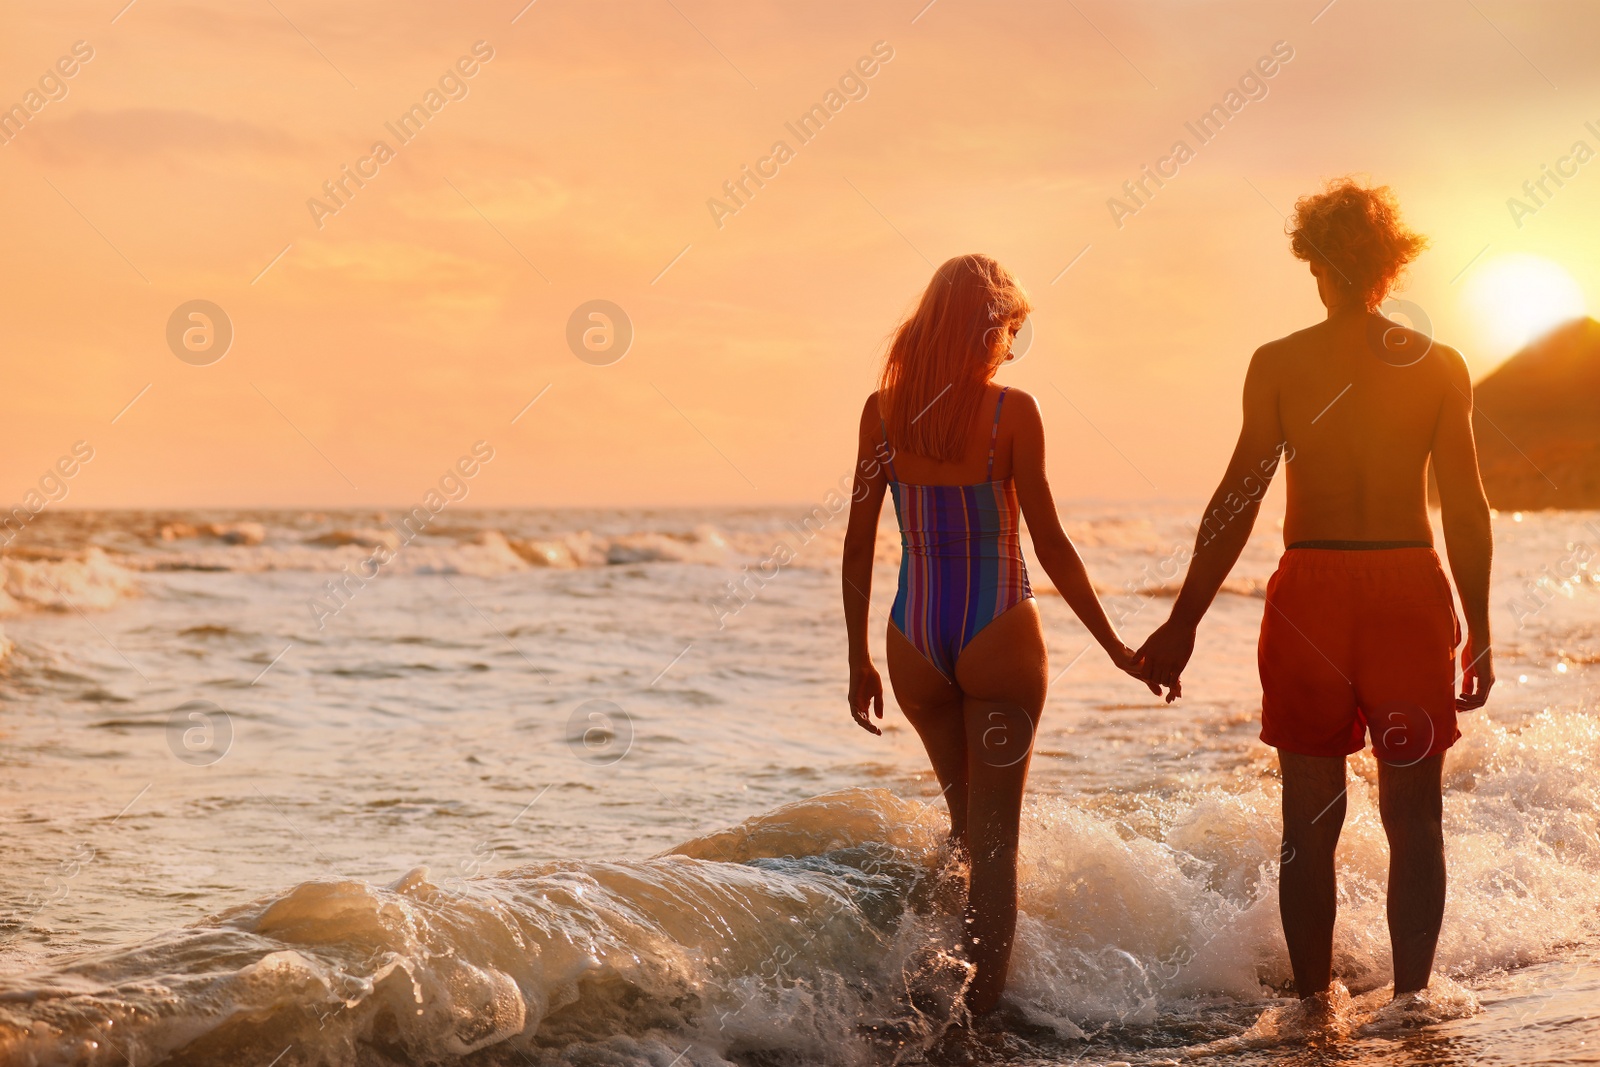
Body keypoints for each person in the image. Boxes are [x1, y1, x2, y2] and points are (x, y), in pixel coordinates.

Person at [1135, 178, 1494, 1004]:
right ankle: (1410, 1007)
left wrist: (1184, 621)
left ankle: (1311, 1013)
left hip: (1311, 601)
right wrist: (1479, 628)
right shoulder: (1441, 367)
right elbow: (1468, 511)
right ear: (1390, 265)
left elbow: (1236, 502)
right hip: (1409, 591)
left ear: (1313, 262)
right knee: (1416, 818)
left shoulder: (1280, 364)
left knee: (1307, 825)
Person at [841, 253, 1159, 1014]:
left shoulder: (880, 412)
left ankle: (935, 994)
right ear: (986, 329)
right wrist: (1115, 645)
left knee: (963, 829)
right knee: (996, 845)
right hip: (998, 631)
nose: (1011, 349)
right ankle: (979, 1020)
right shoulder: (1012, 412)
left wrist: (855, 656)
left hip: (913, 637)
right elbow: (1049, 543)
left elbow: (857, 544)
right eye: (1008, 331)